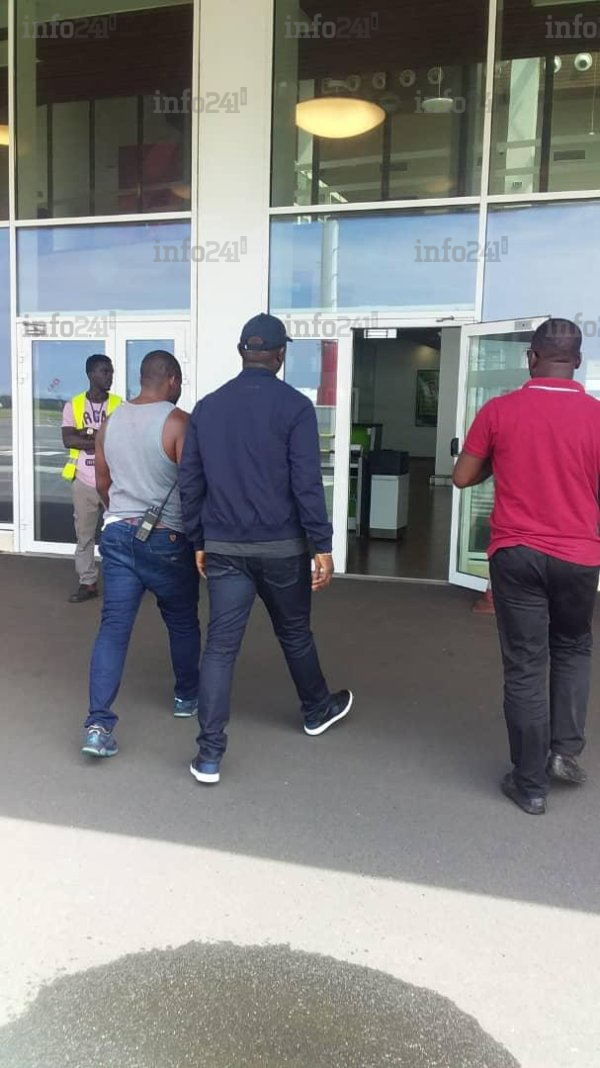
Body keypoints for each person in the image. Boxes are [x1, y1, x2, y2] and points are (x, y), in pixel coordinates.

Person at [179, 313, 352, 785]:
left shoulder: (207, 408)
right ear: (280, 355)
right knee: (294, 633)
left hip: (224, 547)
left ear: (241, 352)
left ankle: (209, 755)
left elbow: (190, 482)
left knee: (220, 648)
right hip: (281, 548)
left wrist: (198, 539)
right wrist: (321, 544)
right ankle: (316, 709)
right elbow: (306, 482)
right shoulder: (295, 407)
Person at [453, 318, 600, 815]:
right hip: (578, 556)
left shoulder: (499, 411)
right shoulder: (597, 416)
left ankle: (530, 785)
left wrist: (499, 459)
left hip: (516, 555)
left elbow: (462, 477)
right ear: (576, 361)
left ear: (531, 358)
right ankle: (564, 751)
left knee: (525, 664)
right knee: (573, 647)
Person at [81, 351, 200, 758]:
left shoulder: (110, 423)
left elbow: (102, 483)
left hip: (117, 534)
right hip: (168, 539)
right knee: (181, 621)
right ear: (171, 380)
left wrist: (122, 513)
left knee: (113, 629)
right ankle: (186, 696)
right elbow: (193, 488)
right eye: (179, 382)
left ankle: (98, 725)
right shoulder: (178, 422)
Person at [61, 354, 122, 603]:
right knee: (84, 536)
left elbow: (121, 440)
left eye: (111, 372)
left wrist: (87, 435)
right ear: (91, 374)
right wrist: (100, 438)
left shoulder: (119, 405)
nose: (109, 376)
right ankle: (88, 583)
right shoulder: (74, 405)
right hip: (84, 481)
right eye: (104, 371)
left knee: (118, 534)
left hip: (114, 481)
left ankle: (122, 582)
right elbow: (68, 439)